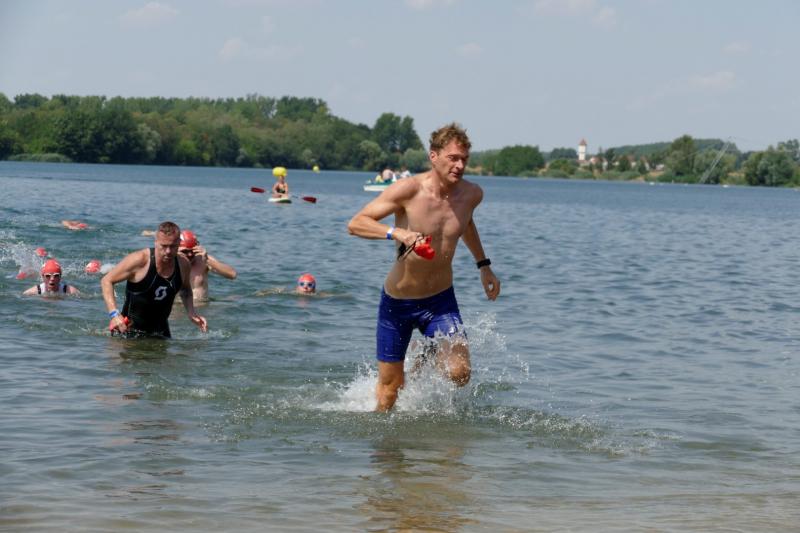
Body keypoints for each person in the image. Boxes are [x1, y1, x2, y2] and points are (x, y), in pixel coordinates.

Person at [347, 123, 501, 411]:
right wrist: (398, 233)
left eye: (464, 159)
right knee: (390, 394)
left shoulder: (471, 195)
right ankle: (386, 442)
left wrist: (484, 265)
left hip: (440, 301)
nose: (460, 165)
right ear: (434, 156)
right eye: (453, 158)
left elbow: (465, 223)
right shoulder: (408, 190)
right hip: (398, 303)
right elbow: (356, 223)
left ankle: (427, 352)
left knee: (459, 373)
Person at [101, 221, 207, 338]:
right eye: (164, 246)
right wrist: (114, 314)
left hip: (161, 332)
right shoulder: (139, 260)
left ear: (178, 243)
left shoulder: (183, 264)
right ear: (156, 242)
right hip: (128, 332)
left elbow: (185, 290)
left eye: (172, 246)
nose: (168, 251)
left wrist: (192, 313)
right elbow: (106, 280)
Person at [178, 229, 237, 303]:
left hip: (201, 307)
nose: (190, 254)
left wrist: (207, 260)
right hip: (178, 307)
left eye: (192, 251)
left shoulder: (203, 259)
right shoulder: (170, 263)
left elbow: (233, 274)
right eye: (185, 251)